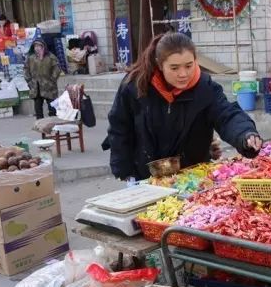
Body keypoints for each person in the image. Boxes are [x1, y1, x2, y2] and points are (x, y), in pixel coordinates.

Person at [105, 33, 262, 181]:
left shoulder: (204, 87)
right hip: (147, 176)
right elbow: (119, 128)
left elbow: (226, 115)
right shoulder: (136, 86)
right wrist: (123, 170)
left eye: (188, 65)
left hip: (193, 174)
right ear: (160, 65)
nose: (183, 74)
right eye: (174, 68)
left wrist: (246, 134)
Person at [24, 39, 61, 119]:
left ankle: (53, 124)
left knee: (52, 107)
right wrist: (29, 81)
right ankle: (40, 125)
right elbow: (26, 69)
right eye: (35, 46)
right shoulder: (31, 58)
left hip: (49, 86)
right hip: (36, 86)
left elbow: (57, 69)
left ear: (43, 47)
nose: (37, 48)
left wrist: (52, 79)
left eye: (39, 46)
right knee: (38, 108)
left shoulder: (50, 57)